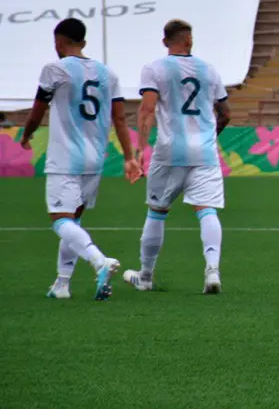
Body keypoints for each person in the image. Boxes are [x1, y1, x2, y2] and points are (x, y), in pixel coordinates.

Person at [19, 18, 140, 300]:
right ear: (83, 42)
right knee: (73, 221)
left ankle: (100, 261)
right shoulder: (107, 74)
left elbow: (38, 109)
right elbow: (120, 118)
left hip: (65, 158)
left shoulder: (55, 69)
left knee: (60, 220)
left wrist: (26, 135)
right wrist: (129, 157)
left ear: (58, 42)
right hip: (94, 159)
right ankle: (62, 283)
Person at [122, 19, 231, 294]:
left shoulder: (154, 68)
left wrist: (140, 151)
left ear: (164, 42)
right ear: (190, 40)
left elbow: (147, 110)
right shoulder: (209, 70)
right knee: (206, 210)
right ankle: (212, 271)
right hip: (205, 152)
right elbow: (226, 113)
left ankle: (145, 276)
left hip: (170, 150)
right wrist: (210, 135)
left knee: (157, 211)